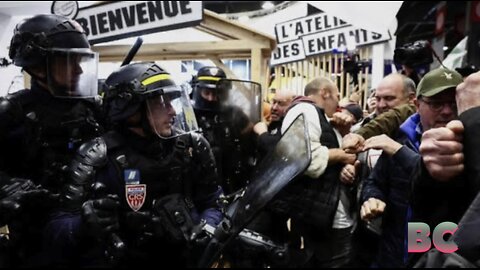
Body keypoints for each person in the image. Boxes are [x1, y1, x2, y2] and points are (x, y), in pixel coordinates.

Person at [74, 63, 223, 267]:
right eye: (161, 103)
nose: (172, 111)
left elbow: (213, 201)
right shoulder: (98, 156)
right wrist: (81, 225)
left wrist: (207, 227)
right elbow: (57, 227)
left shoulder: (192, 146)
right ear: (130, 110)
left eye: (171, 102)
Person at [0, 14, 102, 266]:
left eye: (80, 60)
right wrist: (9, 189)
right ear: (37, 66)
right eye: (69, 61)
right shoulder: (11, 113)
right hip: (37, 244)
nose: (79, 69)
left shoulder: (93, 109)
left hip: (93, 234)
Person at [359, 67, 462, 268]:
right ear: (417, 104)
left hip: (441, 255)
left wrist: (399, 151)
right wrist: (372, 198)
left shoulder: (471, 144)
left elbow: (438, 182)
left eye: (454, 103)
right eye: (436, 104)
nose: (447, 111)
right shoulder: (400, 138)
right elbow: (376, 182)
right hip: (392, 253)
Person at [271, 77, 356, 267]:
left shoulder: (317, 115)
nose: (338, 102)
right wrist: (343, 156)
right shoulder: (305, 110)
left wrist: (344, 132)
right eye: (336, 96)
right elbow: (304, 159)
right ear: (325, 92)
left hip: (325, 212)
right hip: (321, 216)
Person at [191, 66, 258, 195]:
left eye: (216, 93)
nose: (211, 98)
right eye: (207, 93)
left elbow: (249, 139)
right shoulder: (189, 115)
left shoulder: (235, 113)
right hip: (200, 184)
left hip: (232, 181)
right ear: (197, 91)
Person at [253, 89, 295, 160]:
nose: (274, 107)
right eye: (274, 102)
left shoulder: (292, 126)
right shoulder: (274, 123)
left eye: (281, 104)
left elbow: (277, 151)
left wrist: (263, 133)